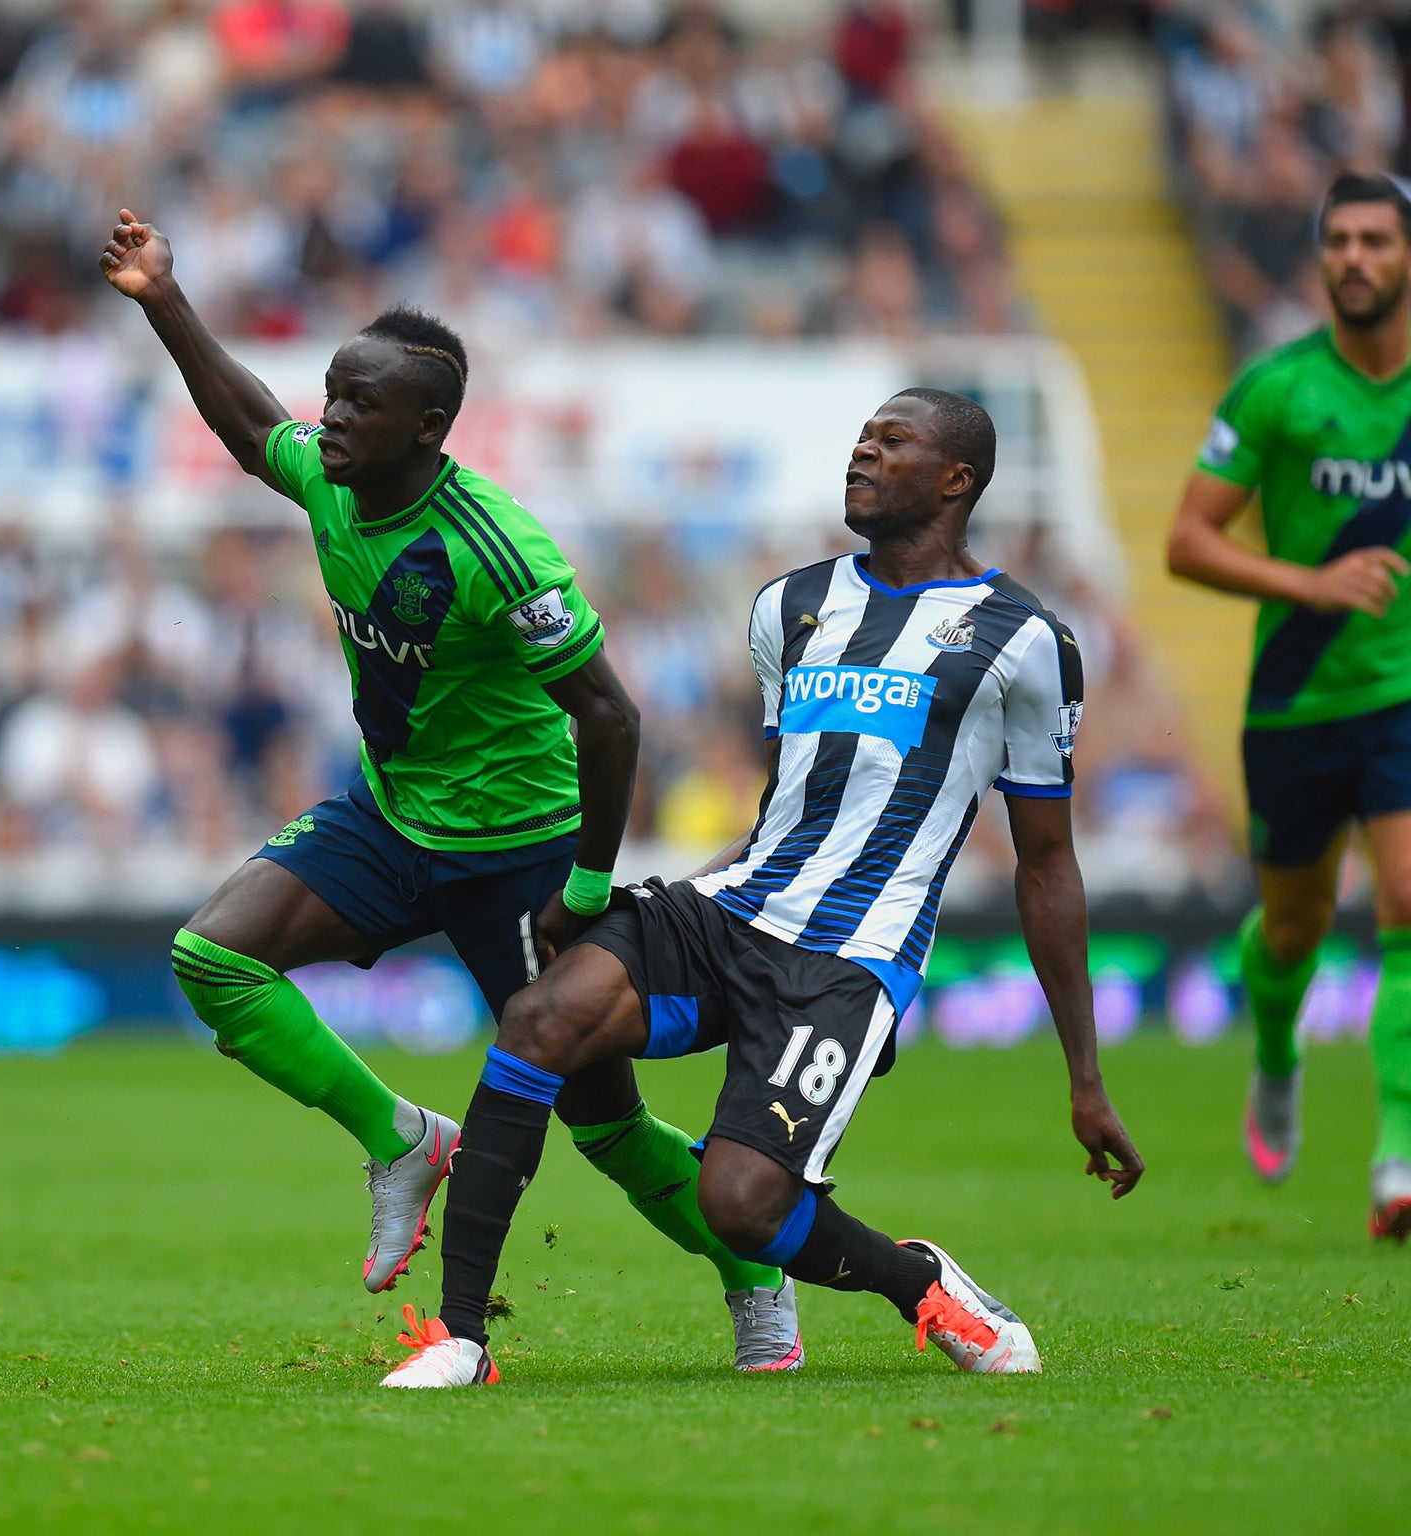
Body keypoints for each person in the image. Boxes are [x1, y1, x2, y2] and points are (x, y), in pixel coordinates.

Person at [99, 210, 804, 1369]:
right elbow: (243, 423)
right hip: (389, 814)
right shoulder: (329, 482)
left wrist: (584, 884)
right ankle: (399, 1140)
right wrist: (161, 297)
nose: (327, 419)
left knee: (607, 1131)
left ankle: (752, 1271)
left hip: (518, 856)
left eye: (356, 406)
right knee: (211, 957)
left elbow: (610, 713)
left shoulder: (496, 547)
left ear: (425, 430)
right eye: (329, 393)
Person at [384, 389, 1145, 1389]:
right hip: (734, 905)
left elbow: (1045, 863)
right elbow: (794, 802)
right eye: (861, 437)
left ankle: (916, 1282)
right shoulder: (788, 606)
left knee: (739, 1205)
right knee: (537, 1022)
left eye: (890, 442)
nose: (860, 453)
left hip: (848, 954)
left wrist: (1083, 1077)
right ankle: (459, 1338)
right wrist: (687, 894)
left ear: (954, 479)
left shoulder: (1022, 639)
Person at [1168, 171, 1411, 1239]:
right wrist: (1308, 583)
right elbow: (1187, 540)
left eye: (1373, 240)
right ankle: (1274, 1052)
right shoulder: (1273, 390)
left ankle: (1396, 1159)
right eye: (1336, 241)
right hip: (1292, 706)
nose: (1353, 258)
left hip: (1399, 696)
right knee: (1292, 925)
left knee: (1405, 904)